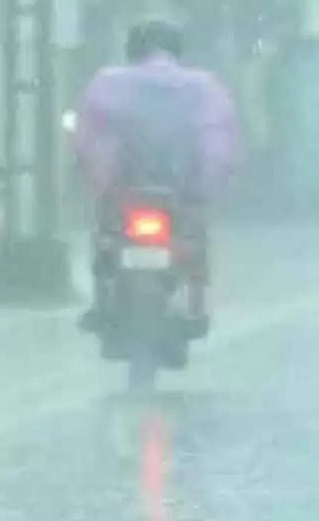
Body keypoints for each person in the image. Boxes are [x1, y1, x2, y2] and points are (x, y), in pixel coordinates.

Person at [72, 19, 239, 335]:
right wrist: (209, 184)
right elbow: (219, 141)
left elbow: (88, 137)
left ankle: (101, 304)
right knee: (195, 240)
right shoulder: (203, 86)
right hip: (183, 192)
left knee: (105, 238)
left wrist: (91, 174)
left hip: (121, 191)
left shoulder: (108, 82)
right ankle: (197, 306)